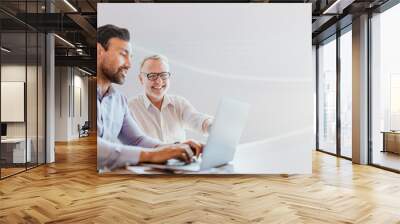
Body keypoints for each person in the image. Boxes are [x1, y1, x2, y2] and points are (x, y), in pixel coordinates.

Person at [97, 24, 202, 171]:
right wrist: (151, 155)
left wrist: (176, 147)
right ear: (99, 51)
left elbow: (137, 140)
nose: (129, 64)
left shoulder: (119, 100)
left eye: (130, 57)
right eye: (123, 54)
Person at [128, 55, 212, 144]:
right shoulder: (129, 108)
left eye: (163, 75)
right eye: (152, 76)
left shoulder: (179, 103)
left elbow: (198, 120)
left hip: (180, 158)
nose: (159, 81)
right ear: (141, 79)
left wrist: (212, 126)